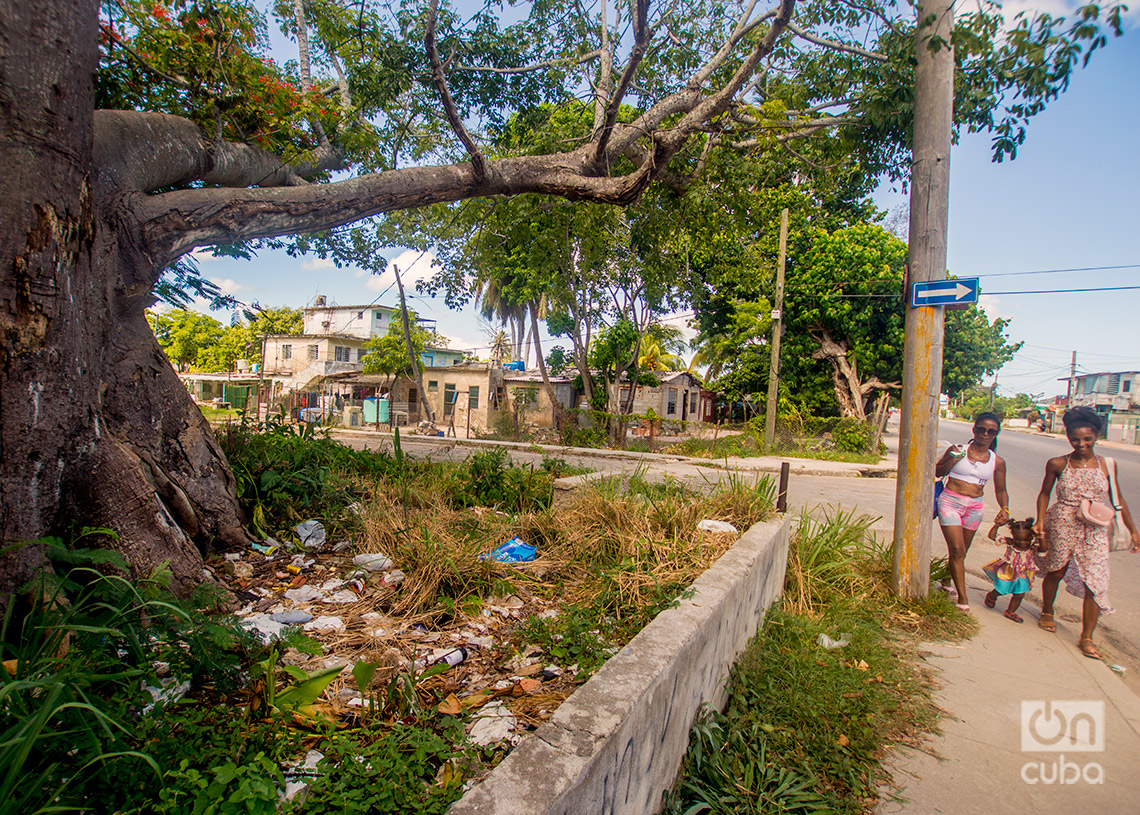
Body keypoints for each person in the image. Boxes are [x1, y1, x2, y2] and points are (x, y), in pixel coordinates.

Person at [1034, 407, 1140, 659]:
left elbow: (1118, 499)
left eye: (1087, 439)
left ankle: (1087, 636)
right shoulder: (1058, 463)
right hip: (1063, 521)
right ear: (1068, 436)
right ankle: (1047, 611)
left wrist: (1133, 531)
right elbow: (1044, 493)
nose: (1081, 444)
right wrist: (1040, 522)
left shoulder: (1107, 465)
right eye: (1075, 439)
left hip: (1094, 527)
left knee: (1095, 579)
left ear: (1096, 437)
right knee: (1056, 569)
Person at [935, 412, 1010, 611]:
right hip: (950, 502)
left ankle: (945, 579)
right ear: (974, 430)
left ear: (996, 434)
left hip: (974, 508)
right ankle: (962, 599)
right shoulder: (958, 450)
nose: (985, 434)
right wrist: (951, 459)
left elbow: (1001, 490)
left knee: (962, 551)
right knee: (958, 550)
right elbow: (937, 472)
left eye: (991, 431)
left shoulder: (997, 461)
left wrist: (1005, 508)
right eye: (981, 429)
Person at [982, 518, 1043, 623]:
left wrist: (1040, 537)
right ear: (1013, 536)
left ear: (1031, 537)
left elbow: (1043, 550)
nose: (1022, 543)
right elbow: (992, 536)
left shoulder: (1032, 547)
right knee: (1001, 590)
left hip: (1023, 575)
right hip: (1008, 573)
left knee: (1020, 594)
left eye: (1026, 540)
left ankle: (1010, 612)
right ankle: (991, 596)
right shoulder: (1010, 542)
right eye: (1019, 539)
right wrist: (996, 526)